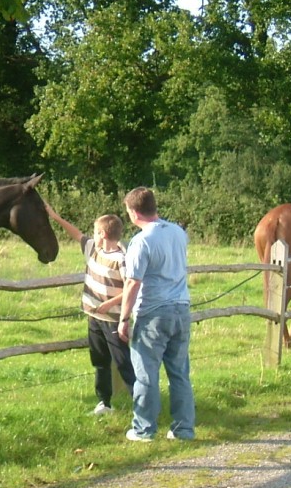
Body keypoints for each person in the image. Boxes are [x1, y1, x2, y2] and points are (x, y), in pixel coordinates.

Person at [117, 187, 195, 442]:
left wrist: (124, 318)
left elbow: (133, 282)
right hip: (181, 308)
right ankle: (183, 429)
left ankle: (144, 428)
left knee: (146, 374)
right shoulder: (177, 232)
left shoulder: (141, 241)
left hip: (153, 312)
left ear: (133, 211)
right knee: (179, 372)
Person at [45, 202, 135, 415]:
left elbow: (131, 287)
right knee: (100, 361)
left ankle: (142, 405)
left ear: (103, 233)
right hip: (94, 317)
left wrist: (110, 304)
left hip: (112, 319)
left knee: (123, 363)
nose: (92, 235)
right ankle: (104, 402)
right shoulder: (93, 248)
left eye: (95, 231)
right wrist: (54, 216)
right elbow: (76, 234)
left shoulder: (122, 259)